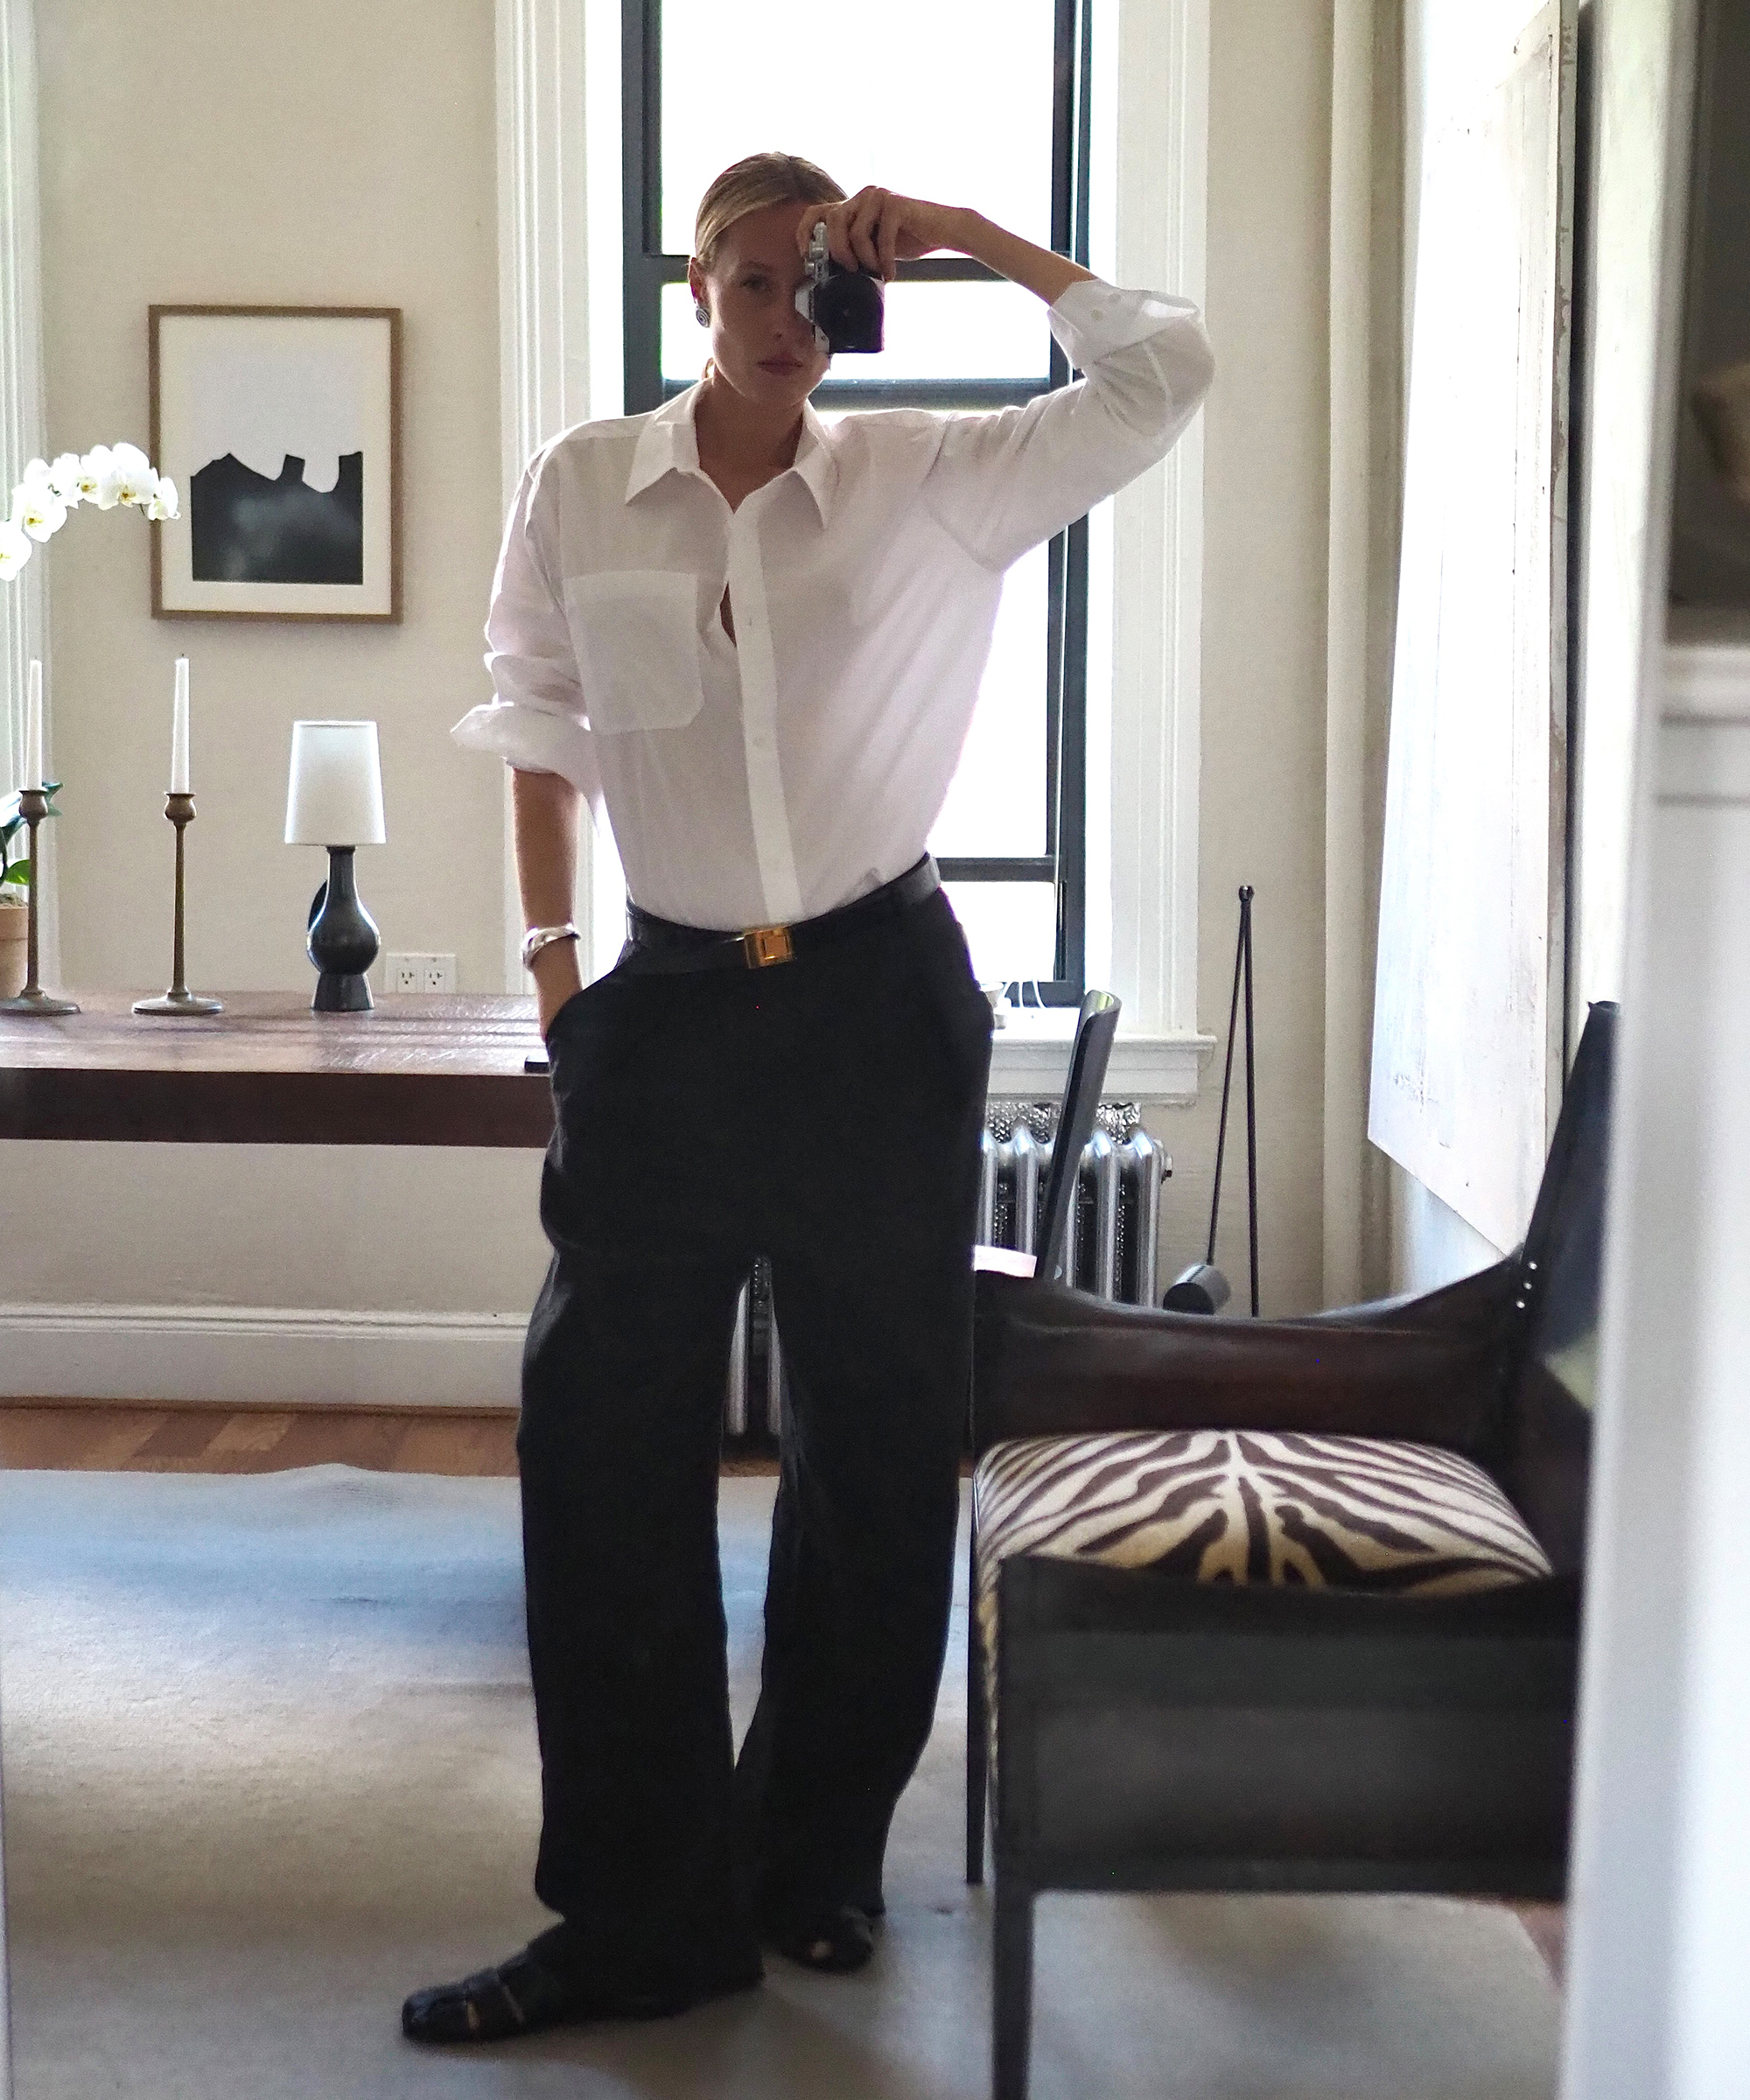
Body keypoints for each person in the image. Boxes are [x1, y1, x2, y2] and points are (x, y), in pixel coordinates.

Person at [403, 151, 1213, 2045]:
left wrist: (970, 245)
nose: (790, 319)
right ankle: (637, 1909)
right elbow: (531, 716)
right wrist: (552, 976)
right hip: (666, 1012)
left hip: (873, 1000)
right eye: (751, 283)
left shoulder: (938, 478)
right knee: (596, 1443)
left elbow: (1164, 371)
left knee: (869, 1449)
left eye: (819, 283)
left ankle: (809, 1861)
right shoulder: (584, 482)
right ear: (693, 293)